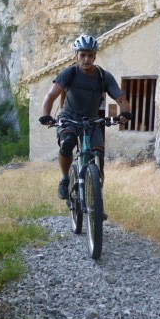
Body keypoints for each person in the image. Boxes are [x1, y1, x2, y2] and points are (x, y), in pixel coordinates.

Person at [39, 34, 132, 199]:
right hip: (69, 118)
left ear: (95, 56)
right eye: (82, 55)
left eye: (90, 55)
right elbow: (50, 96)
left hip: (92, 121)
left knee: (99, 157)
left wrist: (124, 112)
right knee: (67, 144)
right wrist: (46, 115)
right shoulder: (70, 73)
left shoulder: (104, 76)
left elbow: (121, 99)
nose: (86, 59)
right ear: (76, 55)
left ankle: (96, 199)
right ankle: (65, 178)